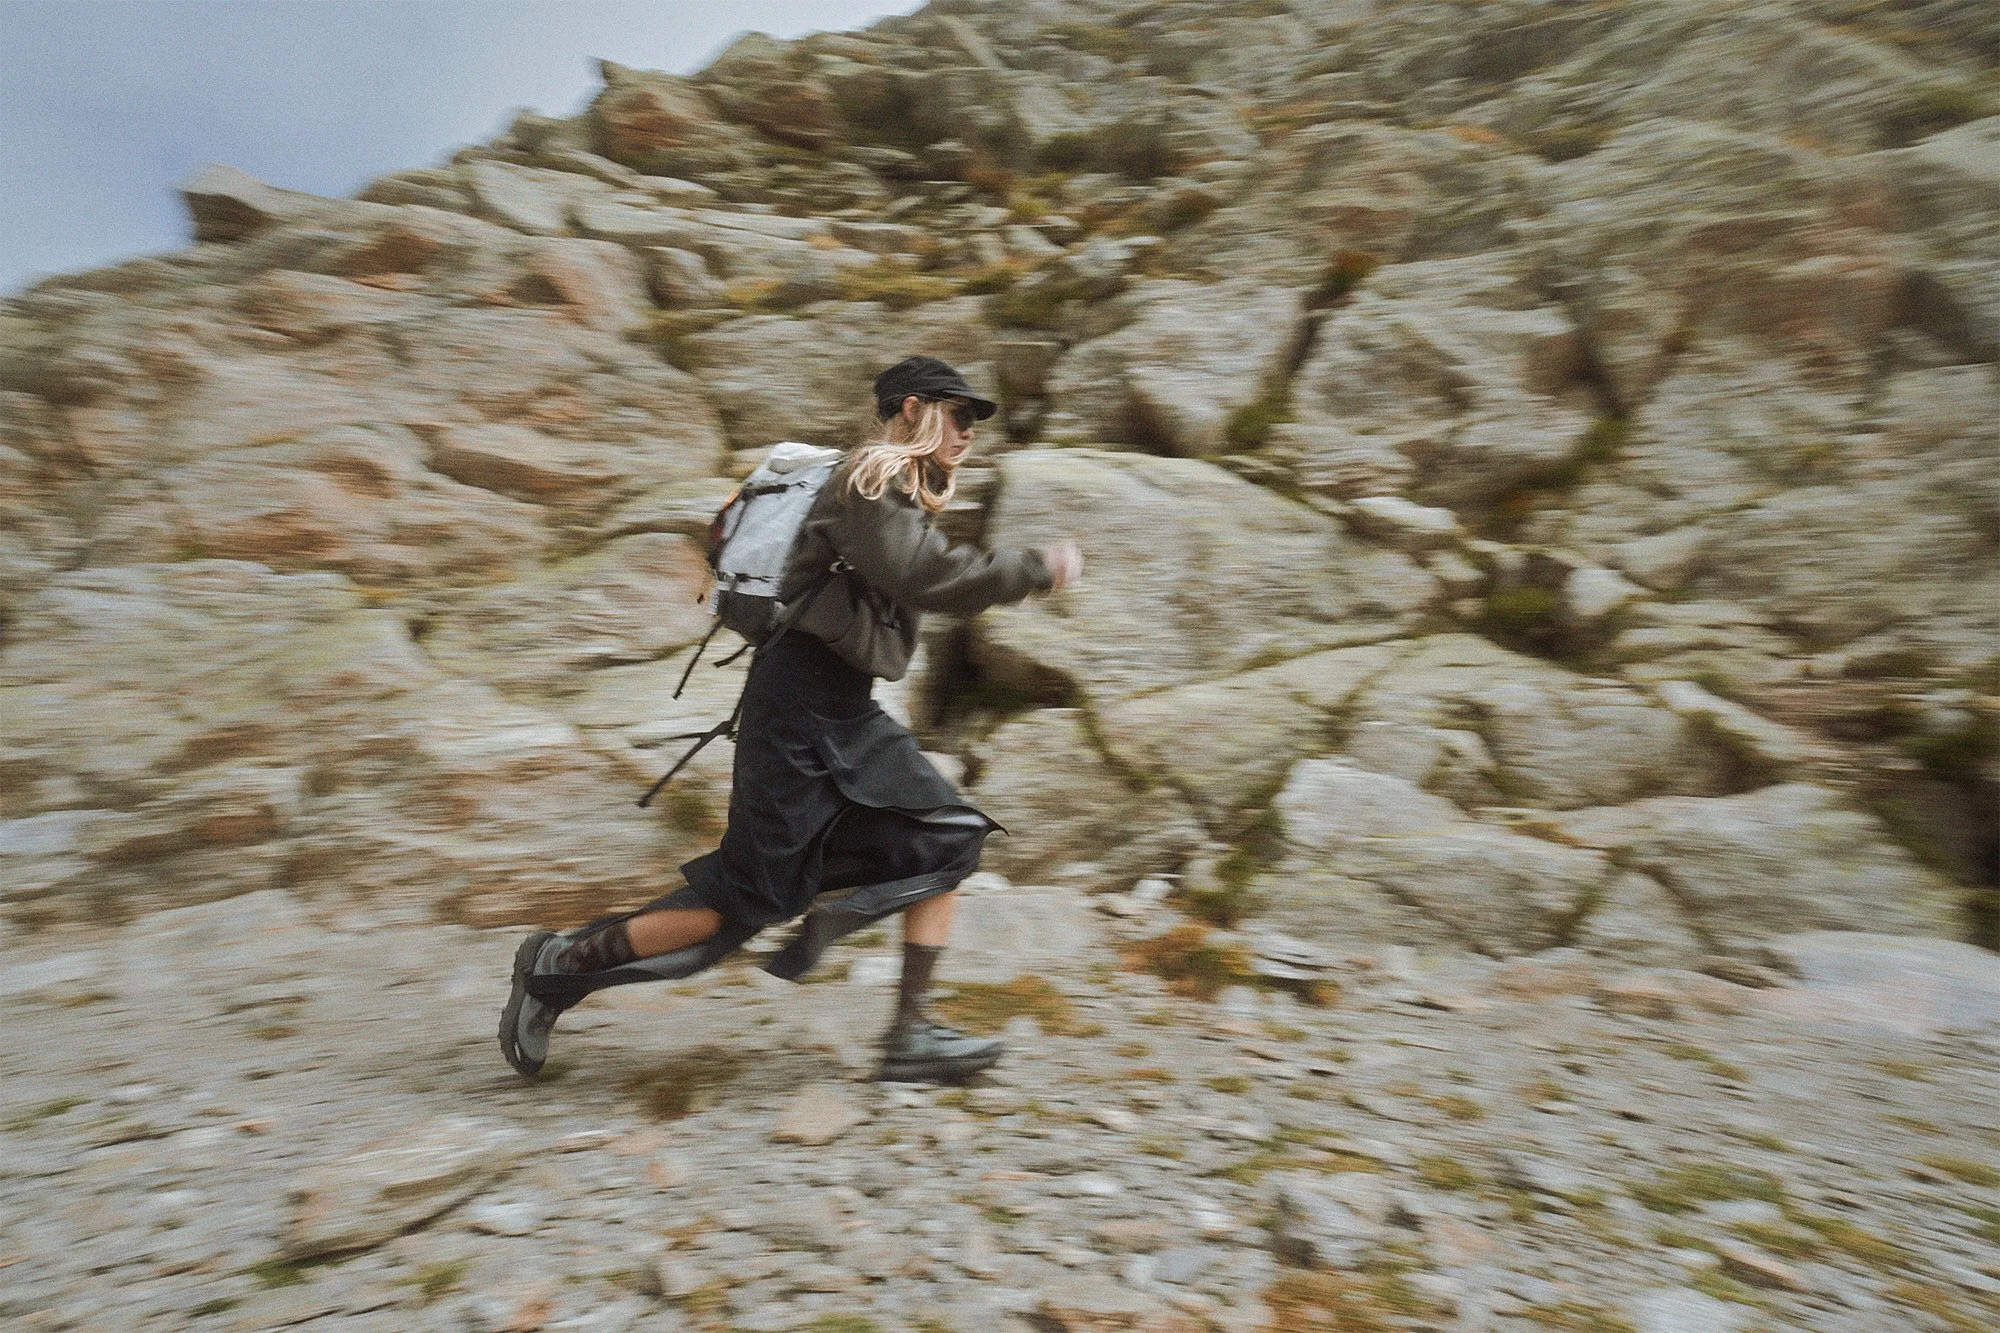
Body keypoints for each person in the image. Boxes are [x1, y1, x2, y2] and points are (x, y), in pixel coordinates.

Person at [501, 355, 1082, 1083]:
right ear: (910, 410)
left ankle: (911, 1031)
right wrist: (1033, 569)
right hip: (797, 713)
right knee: (743, 903)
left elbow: (912, 576)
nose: (968, 431)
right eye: (958, 413)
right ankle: (559, 962)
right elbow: (925, 578)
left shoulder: (895, 491)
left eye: (973, 420)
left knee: (947, 836)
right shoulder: (868, 481)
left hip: (844, 712)